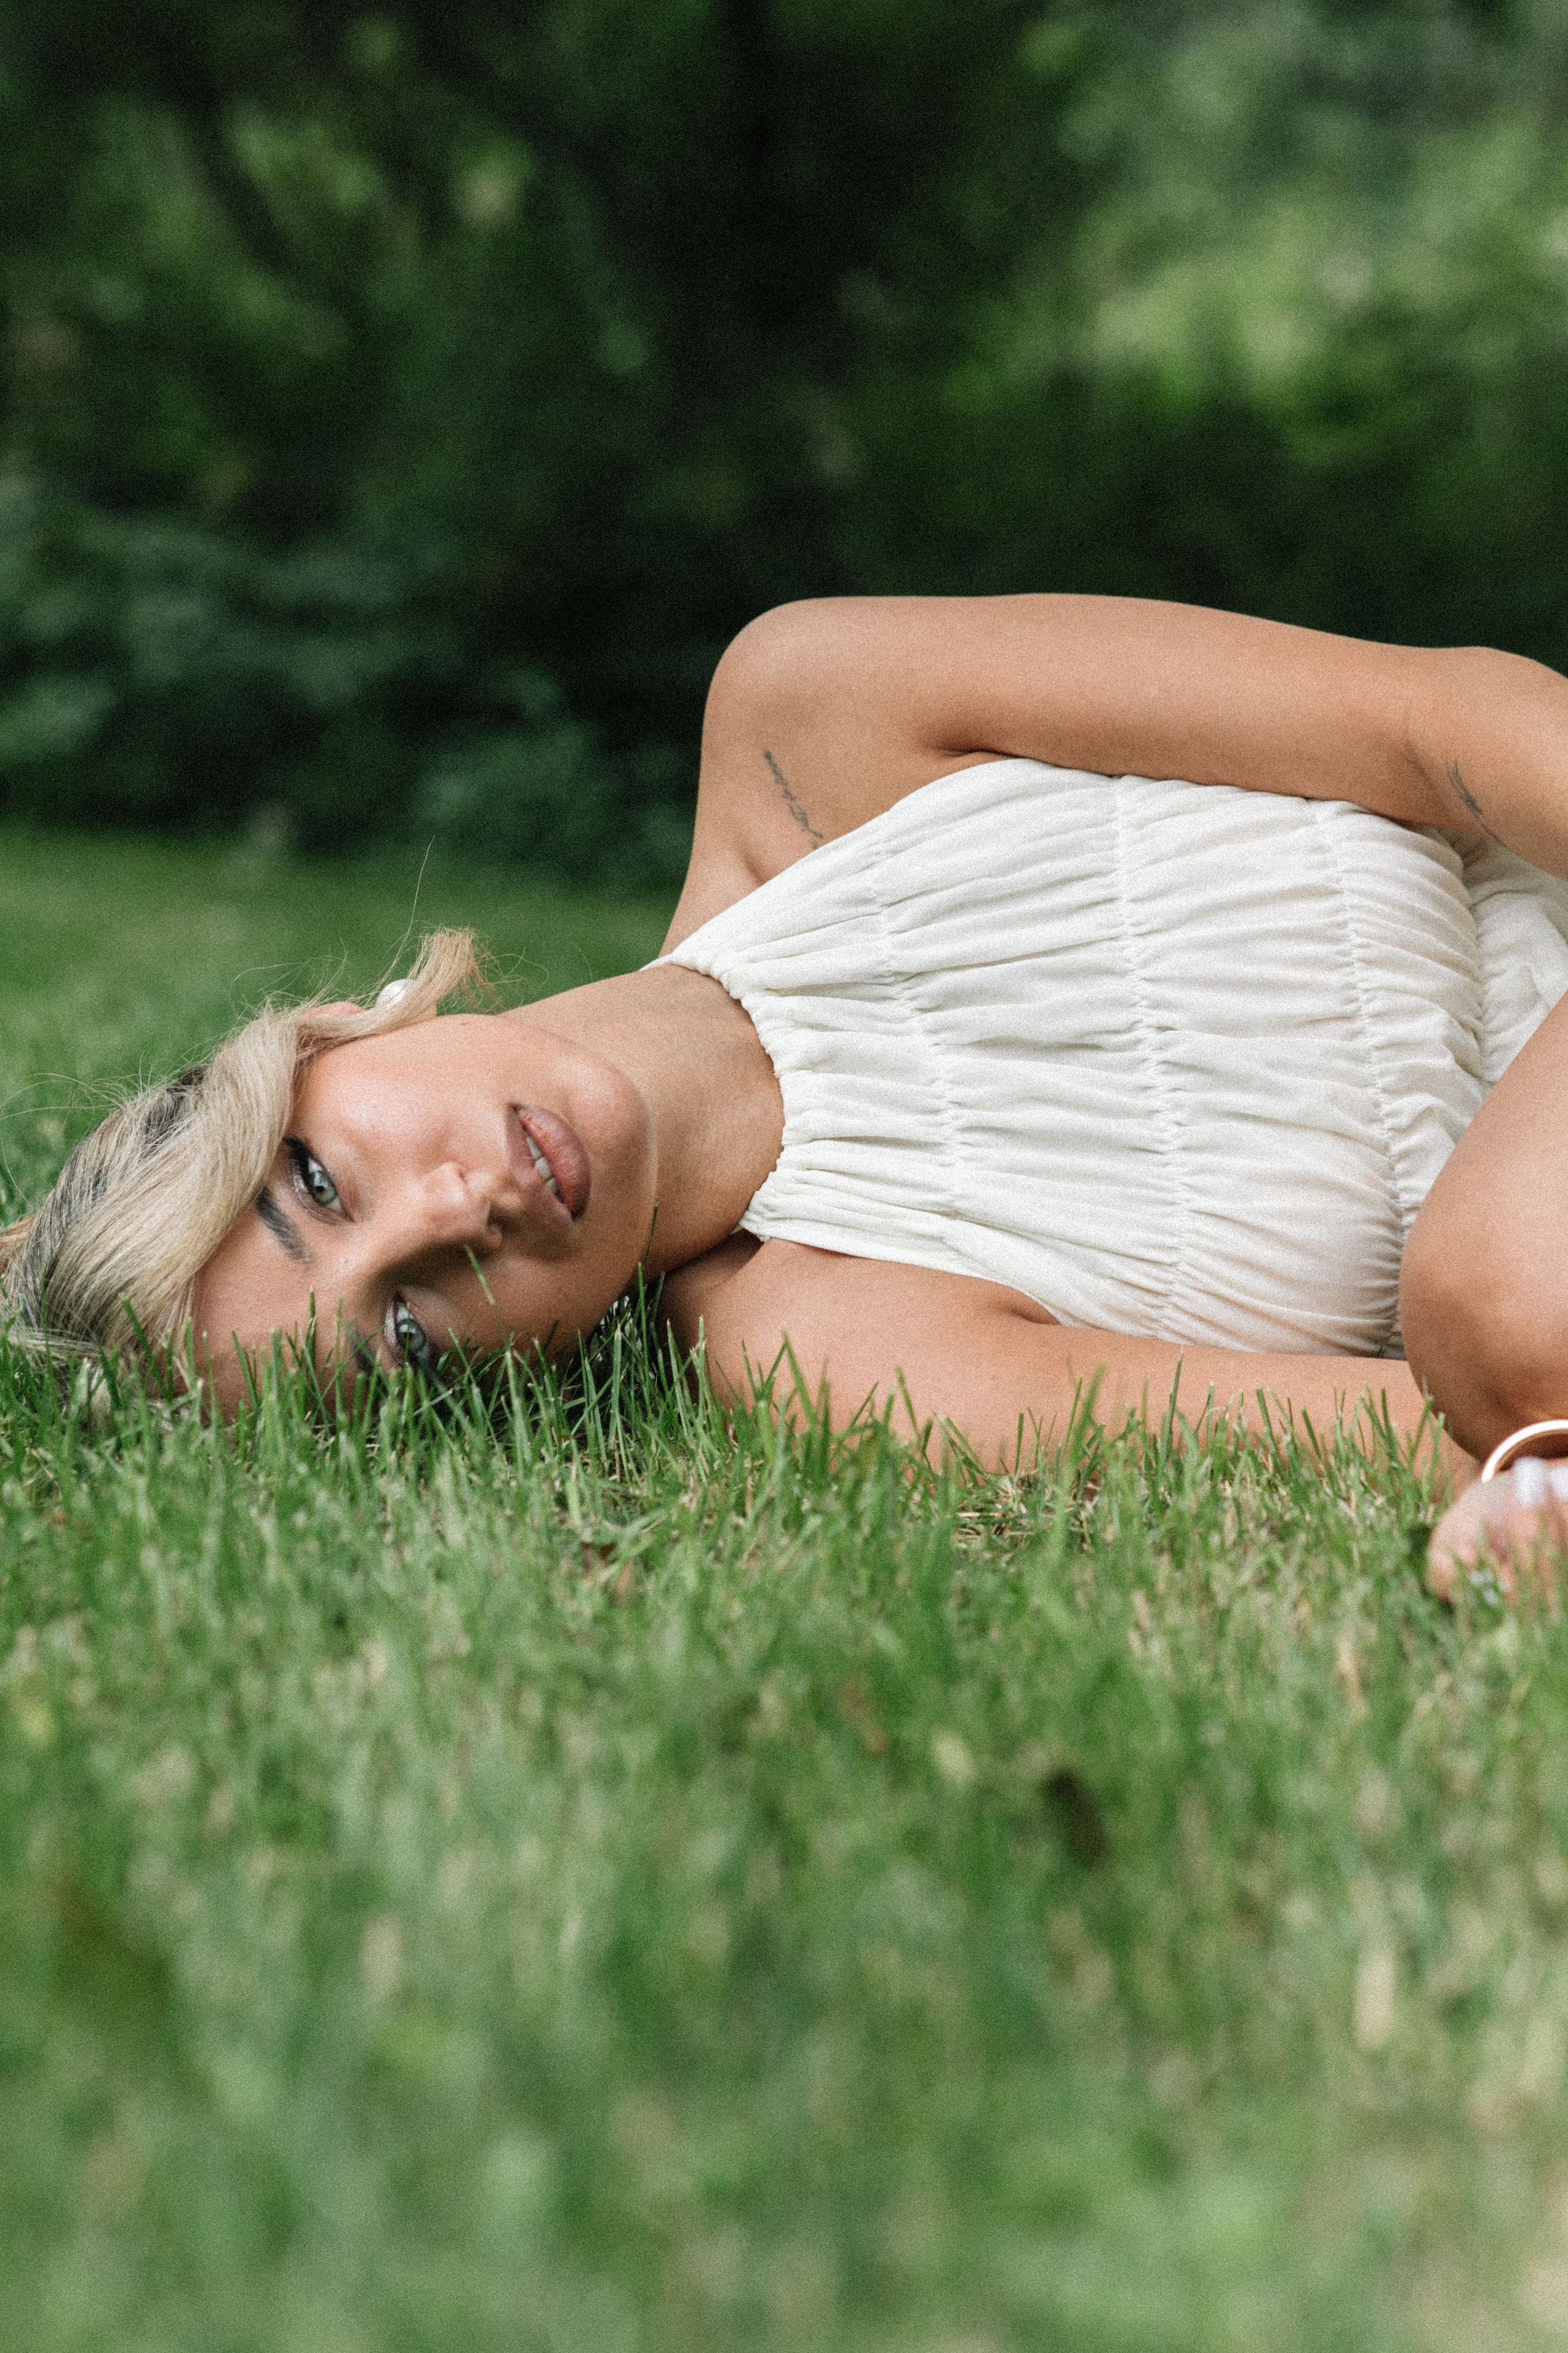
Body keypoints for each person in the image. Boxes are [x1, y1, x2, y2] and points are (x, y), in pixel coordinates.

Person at [7, 595, 1568, 1573]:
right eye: (406, 1333)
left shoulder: (813, 719)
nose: (456, 1216)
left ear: (326, 1039)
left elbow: (1441, 720)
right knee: (1499, 1322)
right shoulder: (828, 1354)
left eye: (322, 1186)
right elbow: (1425, 1430)